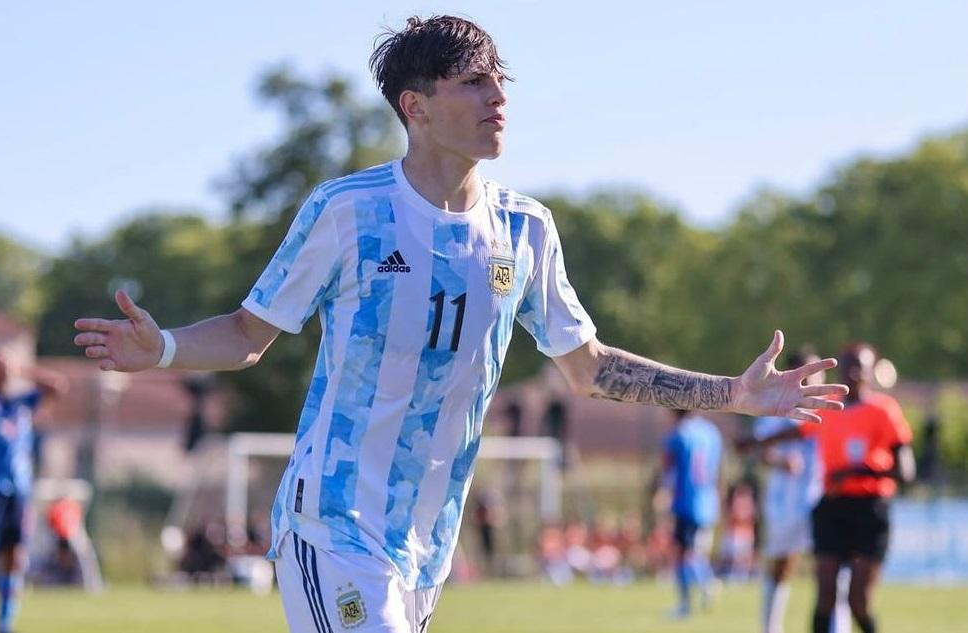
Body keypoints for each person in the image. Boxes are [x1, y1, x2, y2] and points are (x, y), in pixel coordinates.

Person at [72, 15, 846, 632]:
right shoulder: (348, 212)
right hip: (333, 523)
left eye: (500, 80)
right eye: (474, 83)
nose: (498, 97)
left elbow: (588, 366)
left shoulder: (527, 230)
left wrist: (731, 395)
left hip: (426, 547)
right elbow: (249, 334)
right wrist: (167, 346)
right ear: (416, 107)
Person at [744, 343, 914, 633]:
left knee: (858, 601)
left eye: (860, 365)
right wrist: (755, 444)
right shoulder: (831, 406)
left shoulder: (884, 410)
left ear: (872, 371)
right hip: (833, 506)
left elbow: (905, 472)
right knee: (825, 596)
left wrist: (854, 471)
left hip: (870, 509)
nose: (853, 371)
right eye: (848, 364)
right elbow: (799, 430)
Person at [0, 349, 66, 633]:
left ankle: (4, 624)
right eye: (0, 365)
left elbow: (58, 387)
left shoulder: (21, 403)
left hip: (18, 491)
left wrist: (23, 370)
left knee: (15, 557)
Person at [753, 347, 827, 633]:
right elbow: (758, 449)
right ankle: (771, 627)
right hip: (784, 504)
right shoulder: (776, 408)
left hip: (822, 499)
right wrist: (781, 461)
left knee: (831, 567)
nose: (813, 379)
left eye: (817, 372)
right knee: (783, 566)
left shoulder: (830, 410)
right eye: (807, 373)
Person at [659, 410, 722, 618]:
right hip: (707, 500)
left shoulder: (679, 433)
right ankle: (706, 584)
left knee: (683, 553)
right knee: (693, 551)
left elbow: (669, 468)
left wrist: (662, 493)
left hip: (686, 501)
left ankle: (690, 599)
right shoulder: (711, 431)